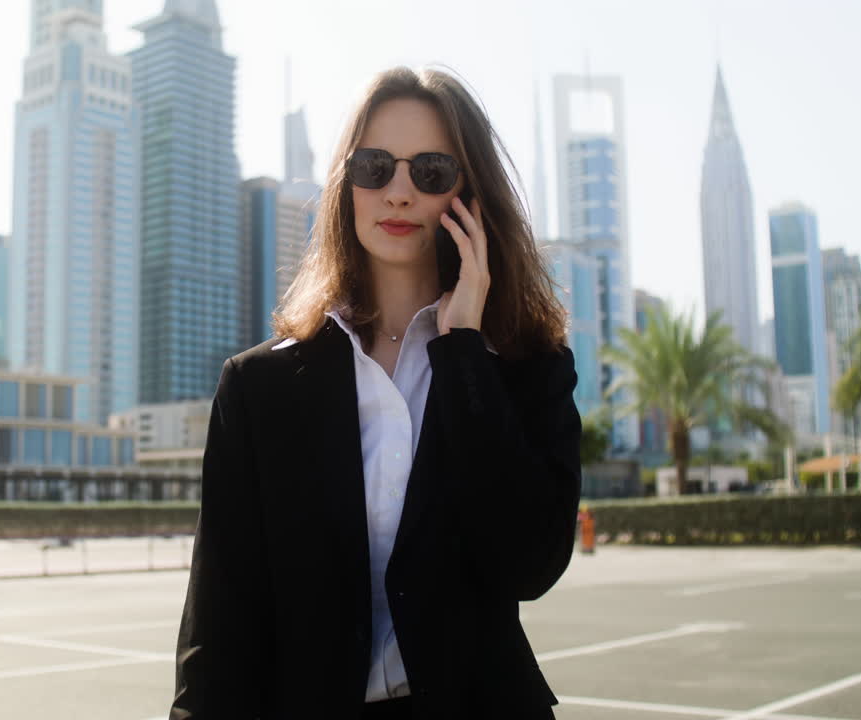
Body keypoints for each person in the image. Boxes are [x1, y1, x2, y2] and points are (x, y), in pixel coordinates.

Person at [170, 66, 582, 720]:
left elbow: (530, 564)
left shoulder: (524, 366)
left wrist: (465, 353)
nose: (397, 192)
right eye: (375, 167)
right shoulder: (257, 388)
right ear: (346, 184)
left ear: (468, 194)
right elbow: (218, 626)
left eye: (430, 171)